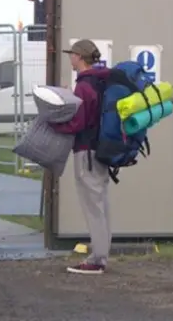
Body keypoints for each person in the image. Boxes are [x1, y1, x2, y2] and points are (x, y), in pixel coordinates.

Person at [51, 39, 112, 275]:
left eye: (72, 55)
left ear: (80, 57)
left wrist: (55, 124)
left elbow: (79, 122)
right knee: (101, 203)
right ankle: (101, 253)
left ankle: (97, 259)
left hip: (86, 150)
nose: (70, 58)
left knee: (92, 206)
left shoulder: (84, 86)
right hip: (102, 150)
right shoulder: (101, 82)